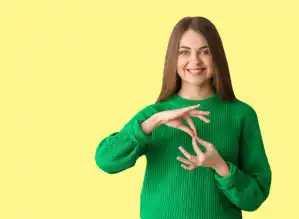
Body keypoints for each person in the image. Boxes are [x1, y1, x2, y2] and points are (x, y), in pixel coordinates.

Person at [94, 16, 272, 219]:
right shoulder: (153, 116)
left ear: (217, 57)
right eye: (184, 52)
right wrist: (155, 122)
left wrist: (220, 166)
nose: (194, 60)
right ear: (173, 59)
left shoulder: (242, 115)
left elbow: (255, 197)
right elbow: (105, 161)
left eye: (204, 51)